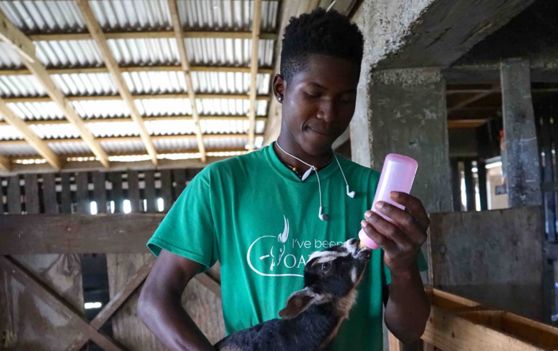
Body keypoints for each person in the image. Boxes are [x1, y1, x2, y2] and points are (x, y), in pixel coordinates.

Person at [138, 8, 430, 351]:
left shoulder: (375, 194)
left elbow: (409, 331)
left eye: (345, 98)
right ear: (281, 88)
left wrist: (404, 266)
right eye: (313, 93)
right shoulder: (222, 185)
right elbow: (154, 299)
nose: (329, 113)